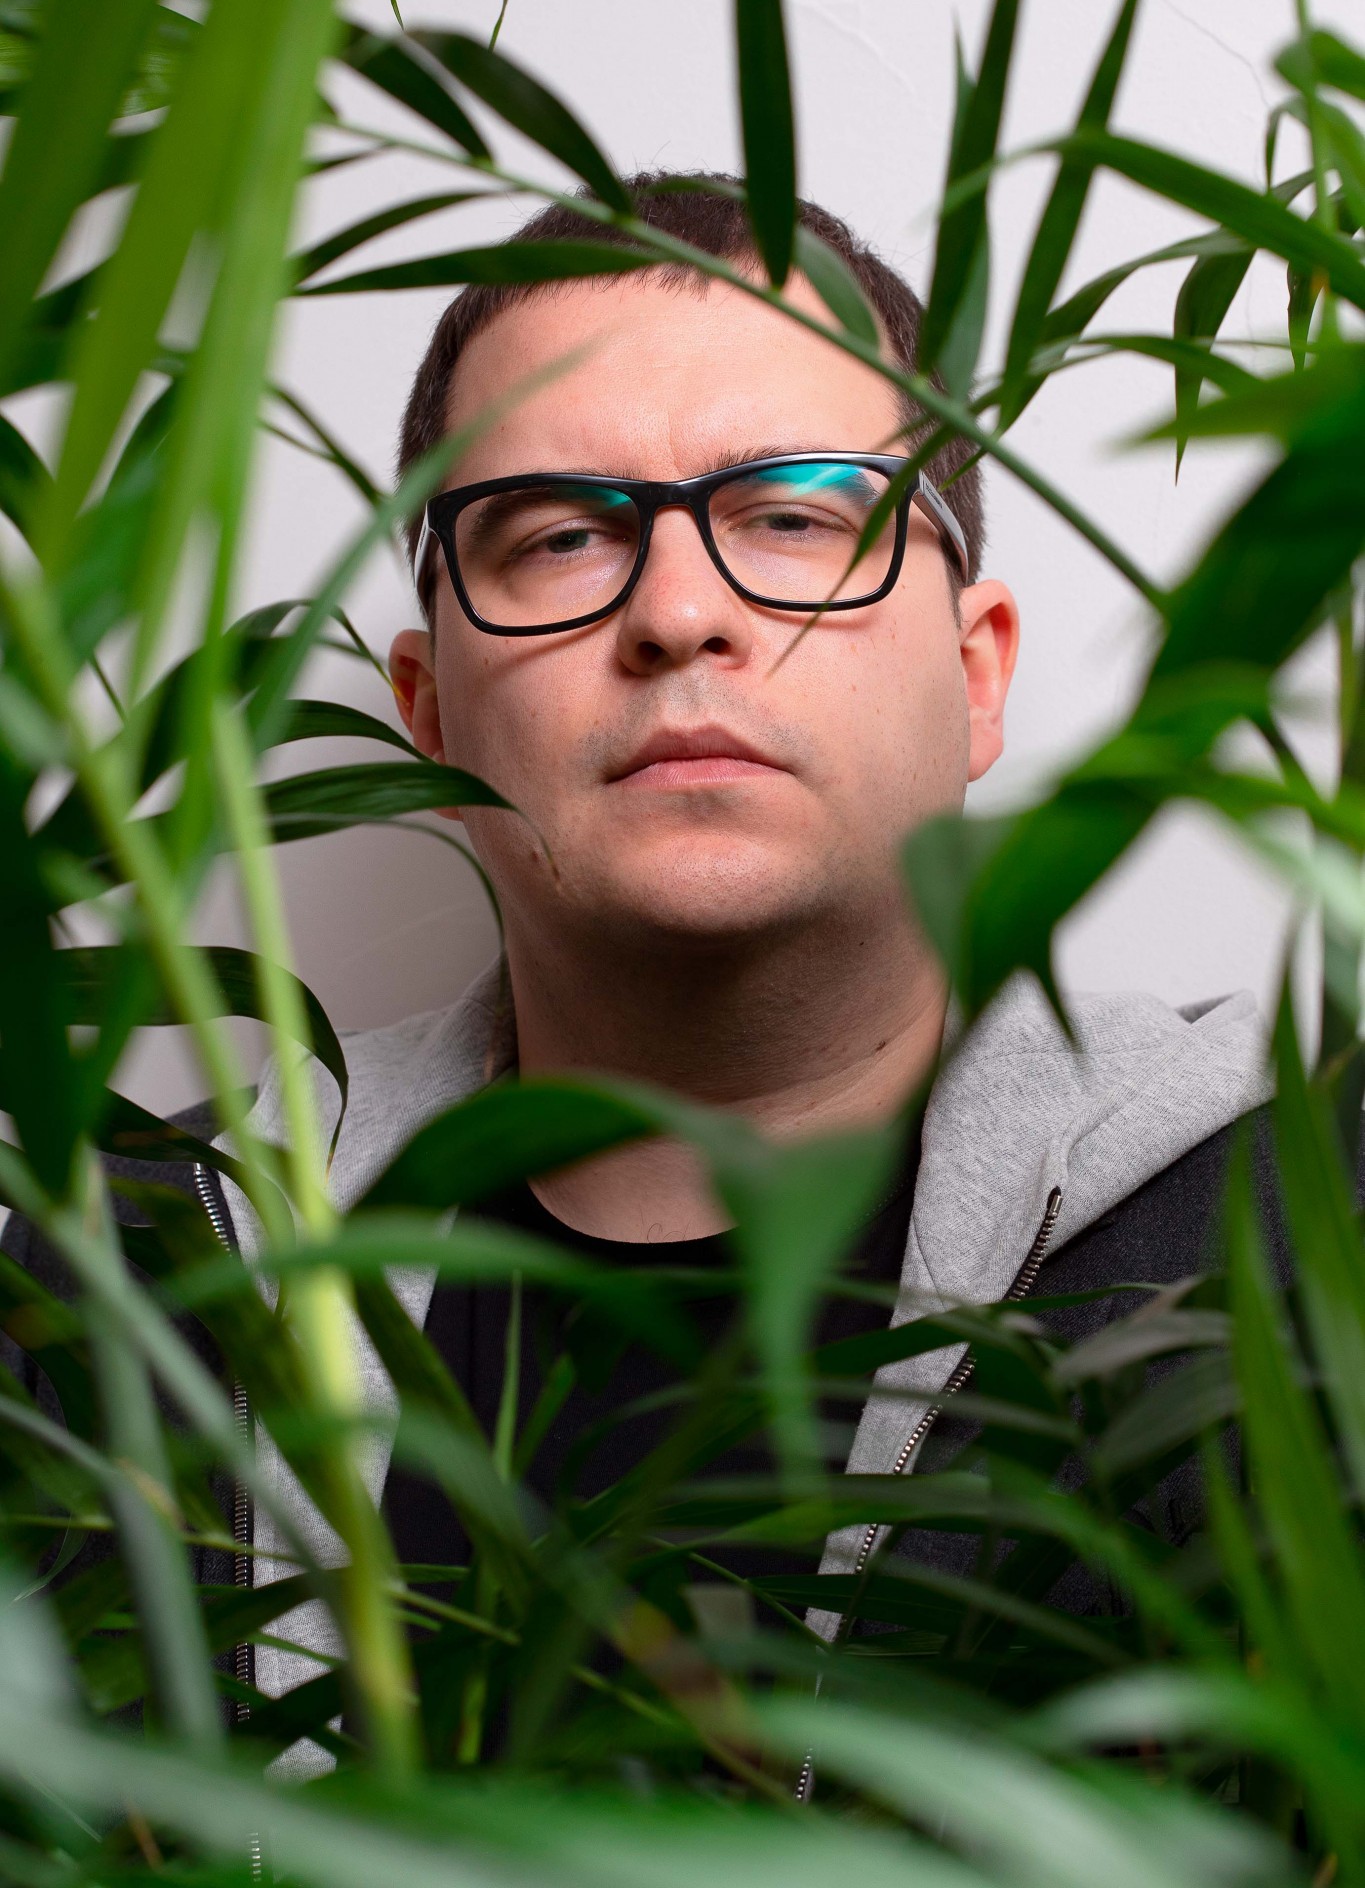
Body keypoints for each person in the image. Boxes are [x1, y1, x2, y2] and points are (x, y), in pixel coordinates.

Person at [2, 175, 1274, 1730]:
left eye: (795, 516)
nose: (678, 612)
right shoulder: (118, 1291)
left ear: (975, 672)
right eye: (557, 538)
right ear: (424, 715)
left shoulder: (1299, 1216)